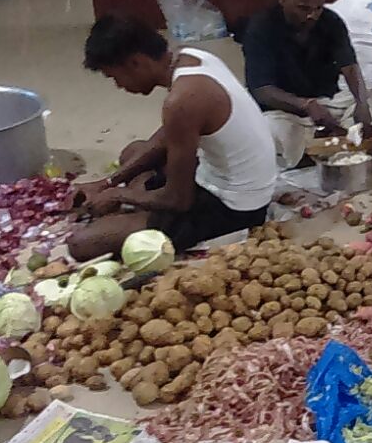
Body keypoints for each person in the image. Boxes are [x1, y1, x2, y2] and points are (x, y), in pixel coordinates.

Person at [70, 15, 277, 260]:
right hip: (217, 176)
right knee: (133, 151)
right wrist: (107, 183)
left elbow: (178, 200)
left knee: (81, 244)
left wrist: (119, 194)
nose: (119, 86)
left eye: (115, 77)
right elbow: (167, 136)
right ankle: (136, 208)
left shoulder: (181, 100)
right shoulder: (190, 57)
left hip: (236, 207)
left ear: (136, 63)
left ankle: (138, 213)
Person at [242, 0, 372, 168]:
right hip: (285, 112)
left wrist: (361, 103)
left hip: (328, 104)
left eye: (318, 8)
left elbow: (350, 67)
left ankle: (327, 139)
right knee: (266, 131)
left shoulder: (330, 21)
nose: (312, 15)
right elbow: (261, 89)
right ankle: (321, 144)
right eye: (304, 8)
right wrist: (305, 105)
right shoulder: (261, 28)